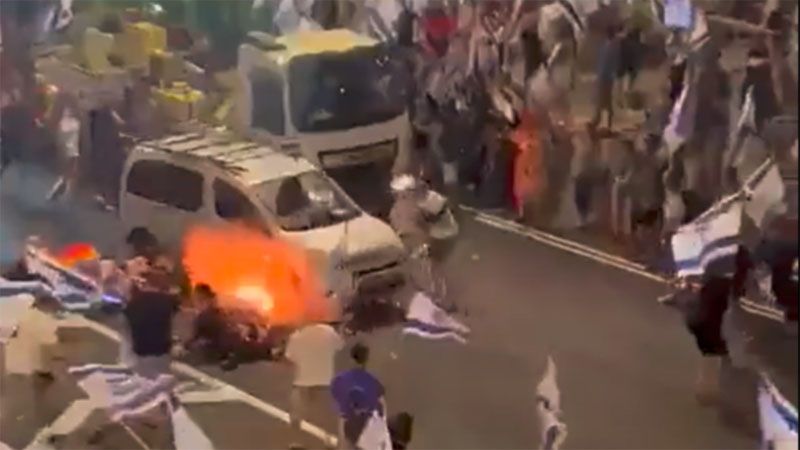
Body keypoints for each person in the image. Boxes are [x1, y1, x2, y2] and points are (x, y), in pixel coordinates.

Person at [285, 318, 344, 449]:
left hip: (302, 381)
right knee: (328, 414)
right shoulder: (329, 332)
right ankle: (329, 440)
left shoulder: (296, 335)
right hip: (326, 380)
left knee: (296, 414)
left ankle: (296, 442)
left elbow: (290, 357)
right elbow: (340, 347)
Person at [331, 343, 387, 449]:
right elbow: (381, 405)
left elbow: (338, 404)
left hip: (348, 424)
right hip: (367, 425)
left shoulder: (340, 379)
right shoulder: (373, 381)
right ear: (366, 360)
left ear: (351, 358)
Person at [590, 26, 621, 130]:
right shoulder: (610, 46)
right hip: (605, 77)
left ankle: (600, 122)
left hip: (605, 77)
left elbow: (607, 64)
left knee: (604, 101)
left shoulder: (610, 46)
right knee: (604, 101)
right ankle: (600, 122)